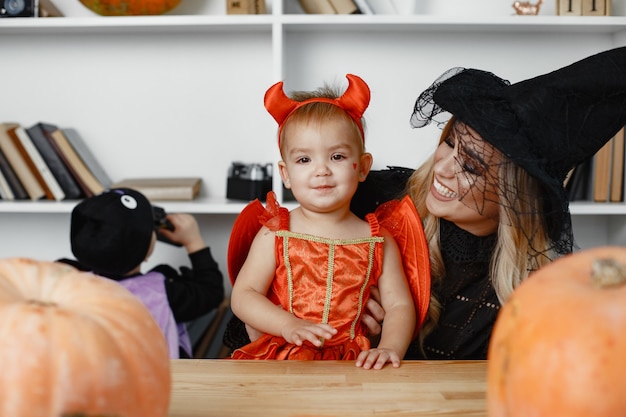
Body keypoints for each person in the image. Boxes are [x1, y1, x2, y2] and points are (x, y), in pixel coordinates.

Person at [226, 46, 626, 361]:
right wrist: (284, 322)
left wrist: (387, 341)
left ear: (514, 198)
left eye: (470, 166)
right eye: (449, 142)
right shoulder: (371, 196)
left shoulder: (531, 291)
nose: (443, 168)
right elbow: (246, 308)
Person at [229, 74, 427, 370]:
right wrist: (287, 324)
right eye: (304, 160)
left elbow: (399, 305)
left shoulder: (377, 238)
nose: (321, 170)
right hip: (284, 356)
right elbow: (244, 296)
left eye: (336, 156)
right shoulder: (276, 233)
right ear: (285, 174)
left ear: (362, 167)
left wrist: (388, 347)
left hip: (349, 362)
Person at [59, 187, 225, 359]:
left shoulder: (67, 283)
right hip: (156, 383)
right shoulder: (161, 294)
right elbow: (211, 290)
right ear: (147, 251)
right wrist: (193, 241)